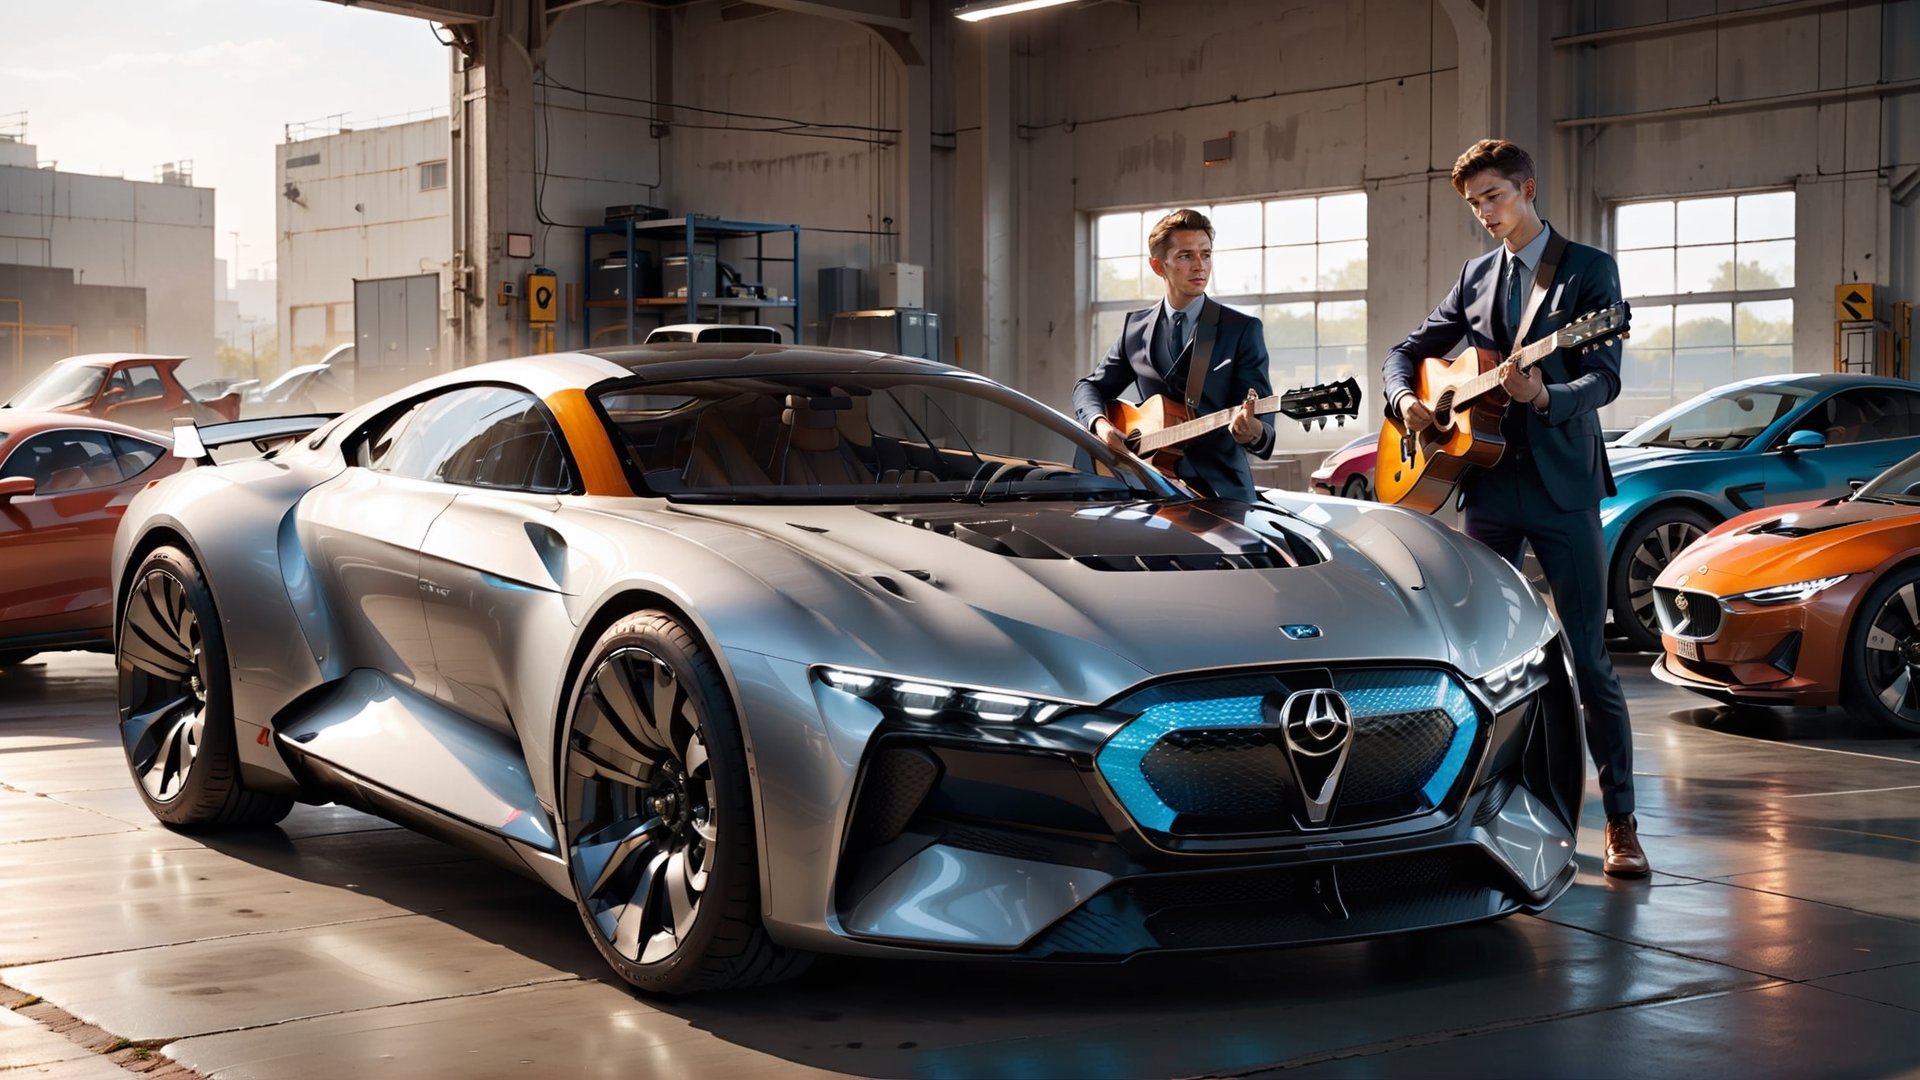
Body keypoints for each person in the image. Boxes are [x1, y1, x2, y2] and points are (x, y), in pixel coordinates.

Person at [1381, 138, 1649, 878]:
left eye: (1494, 197)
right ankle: (1462, 817)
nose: (1485, 214)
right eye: (1474, 204)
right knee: (1475, 658)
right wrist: (1408, 402)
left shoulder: (1589, 271)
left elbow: (1603, 380)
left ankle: (1621, 824)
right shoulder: (1475, 275)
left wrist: (1546, 395)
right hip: (1489, 490)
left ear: (1527, 189)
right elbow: (1406, 351)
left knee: (1591, 666)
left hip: (1563, 490)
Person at [1072, 209, 1275, 503]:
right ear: (1158, 266)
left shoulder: (1241, 329)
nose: (1199, 266)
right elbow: (1088, 387)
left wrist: (1253, 431)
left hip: (1220, 492)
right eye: (1185, 256)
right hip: (1148, 489)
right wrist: (1101, 425)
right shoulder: (1136, 328)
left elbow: (1263, 417)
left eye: (1206, 255)